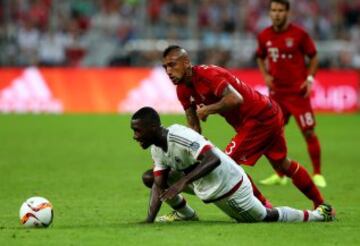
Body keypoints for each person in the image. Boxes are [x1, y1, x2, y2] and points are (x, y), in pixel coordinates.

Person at [161, 44, 325, 210]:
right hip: (266, 115)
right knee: (282, 164)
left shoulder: (208, 75)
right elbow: (194, 125)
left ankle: (265, 208)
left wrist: (208, 110)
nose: (168, 71)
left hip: (259, 118)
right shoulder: (182, 90)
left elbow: (235, 99)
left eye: (172, 65)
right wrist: (192, 150)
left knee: (227, 164)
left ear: (186, 62)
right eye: (165, 67)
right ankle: (322, 204)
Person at [130, 106, 334, 223]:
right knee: (151, 178)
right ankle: (187, 215)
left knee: (265, 217)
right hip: (205, 184)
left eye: (138, 131)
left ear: (153, 127)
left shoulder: (179, 135)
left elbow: (213, 158)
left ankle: (318, 215)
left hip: (230, 185)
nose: (135, 136)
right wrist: (149, 221)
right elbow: (159, 182)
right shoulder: (156, 149)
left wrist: (182, 182)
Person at [256, 0, 326, 187]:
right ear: (270, 13)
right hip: (277, 94)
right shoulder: (264, 36)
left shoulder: (300, 34)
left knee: (309, 132)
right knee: (273, 134)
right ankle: (280, 175)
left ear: (288, 13)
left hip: (298, 94)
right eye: (273, 10)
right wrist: (266, 76)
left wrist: (309, 79)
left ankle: (317, 173)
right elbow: (260, 56)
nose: (276, 14)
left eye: (280, 10)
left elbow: (314, 56)